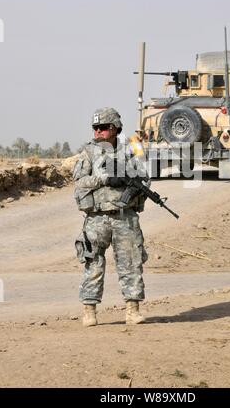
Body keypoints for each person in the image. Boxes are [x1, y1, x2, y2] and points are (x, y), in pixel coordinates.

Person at [73, 107, 148, 327]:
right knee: (92, 263)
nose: (98, 132)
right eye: (95, 128)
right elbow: (79, 182)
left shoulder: (132, 148)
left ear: (115, 128)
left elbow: (146, 177)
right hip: (96, 218)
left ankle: (132, 311)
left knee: (131, 263)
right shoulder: (88, 152)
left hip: (125, 217)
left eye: (103, 127)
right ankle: (89, 311)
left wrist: (127, 179)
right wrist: (105, 179)